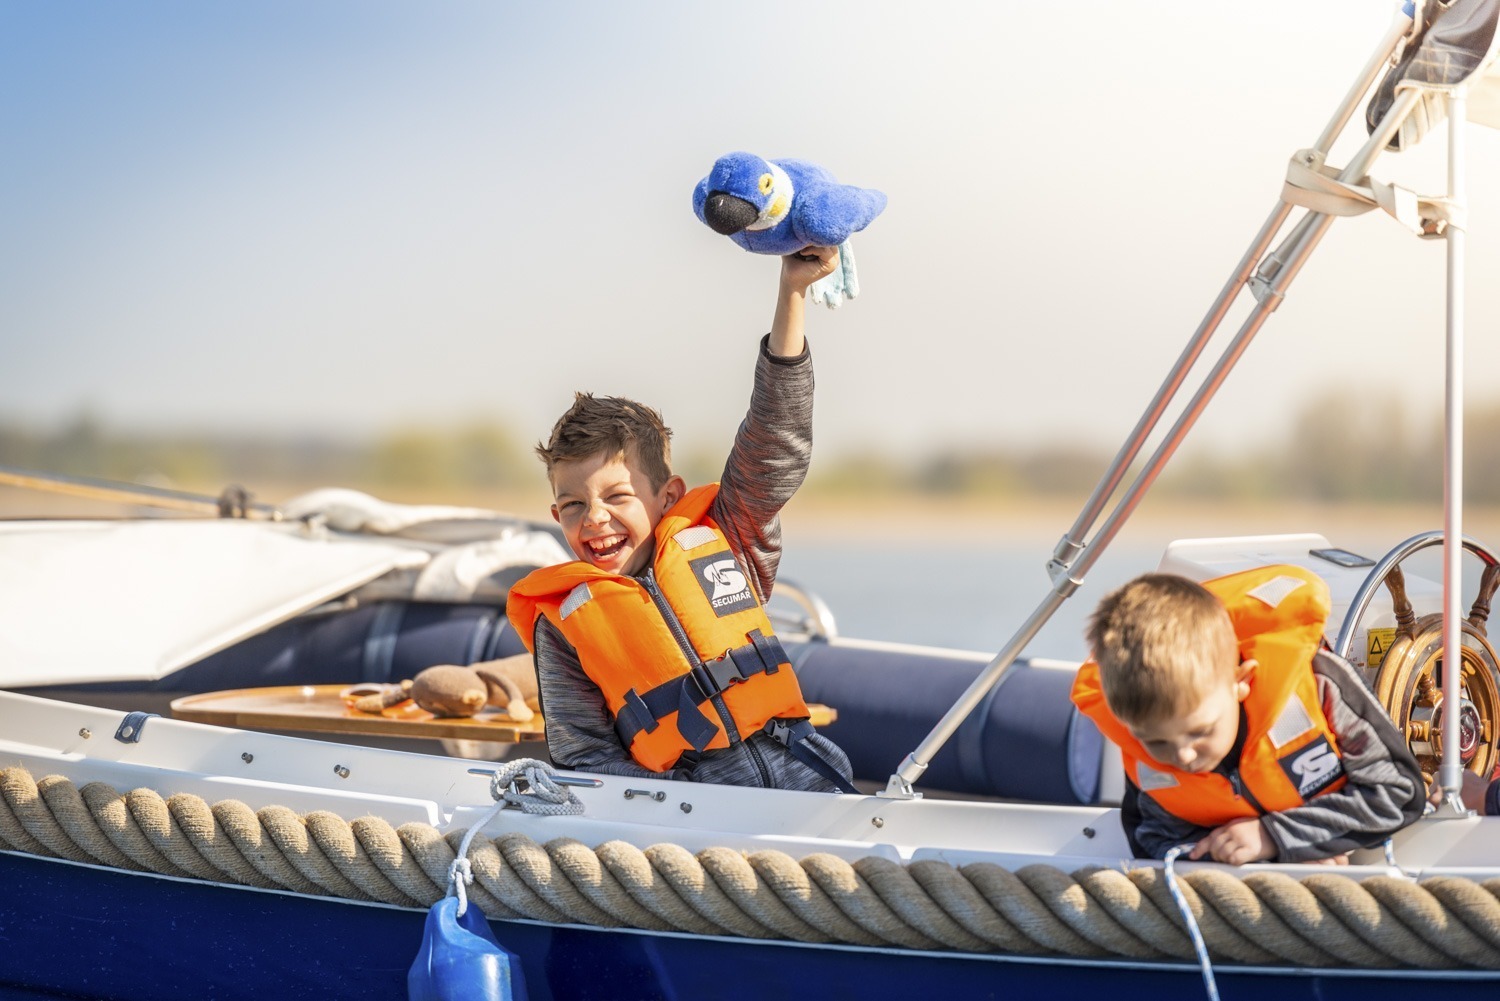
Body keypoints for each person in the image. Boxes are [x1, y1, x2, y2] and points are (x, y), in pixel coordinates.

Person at [505, 246, 856, 793]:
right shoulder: (562, 626)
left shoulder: (727, 536)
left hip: (808, 781)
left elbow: (776, 440)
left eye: (617, 496)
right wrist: (681, 806)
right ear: (556, 515)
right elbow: (585, 756)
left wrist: (792, 292)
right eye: (573, 505)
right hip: (692, 818)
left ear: (668, 496)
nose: (594, 519)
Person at [1070, 565, 1426, 864]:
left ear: (1240, 681)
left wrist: (1277, 838)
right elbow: (1152, 839)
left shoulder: (1320, 688)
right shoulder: (1142, 740)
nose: (1182, 755)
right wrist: (1246, 852)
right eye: (1156, 741)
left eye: (1200, 732)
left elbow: (1398, 794)